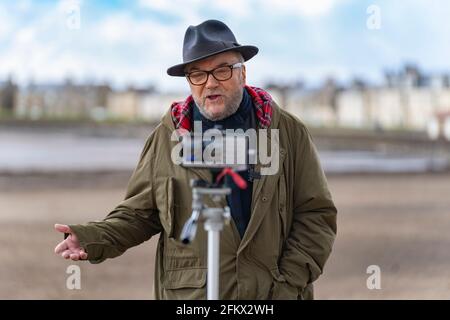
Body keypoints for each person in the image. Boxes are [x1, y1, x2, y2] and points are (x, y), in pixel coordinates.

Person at [54, 19, 337, 300]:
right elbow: (140, 213)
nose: (210, 82)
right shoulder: (168, 137)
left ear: (243, 73)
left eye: (222, 70)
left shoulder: (287, 132)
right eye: (197, 74)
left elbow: (316, 216)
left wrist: (287, 286)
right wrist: (92, 237)